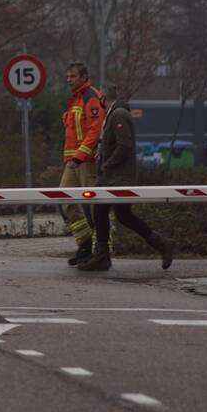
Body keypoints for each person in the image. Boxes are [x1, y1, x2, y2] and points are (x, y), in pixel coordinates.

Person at [79, 83, 174, 271]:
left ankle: (104, 256)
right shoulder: (115, 114)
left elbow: (124, 145)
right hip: (112, 177)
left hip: (117, 177)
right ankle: (105, 255)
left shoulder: (119, 115)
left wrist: (108, 163)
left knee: (110, 213)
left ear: (103, 98)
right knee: (115, 214)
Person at [60, 61, 104, 265]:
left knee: (94, 207)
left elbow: (95, 130)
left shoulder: (90, 96)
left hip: (86, 161)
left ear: (84, 77)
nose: (69, 80)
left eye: (73, 76)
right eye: (68, 76)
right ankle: (85, 244)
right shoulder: (75, 98)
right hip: (74, 160)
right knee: (65, 200)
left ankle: (101, 252)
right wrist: (73, 158)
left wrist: (79, 156)